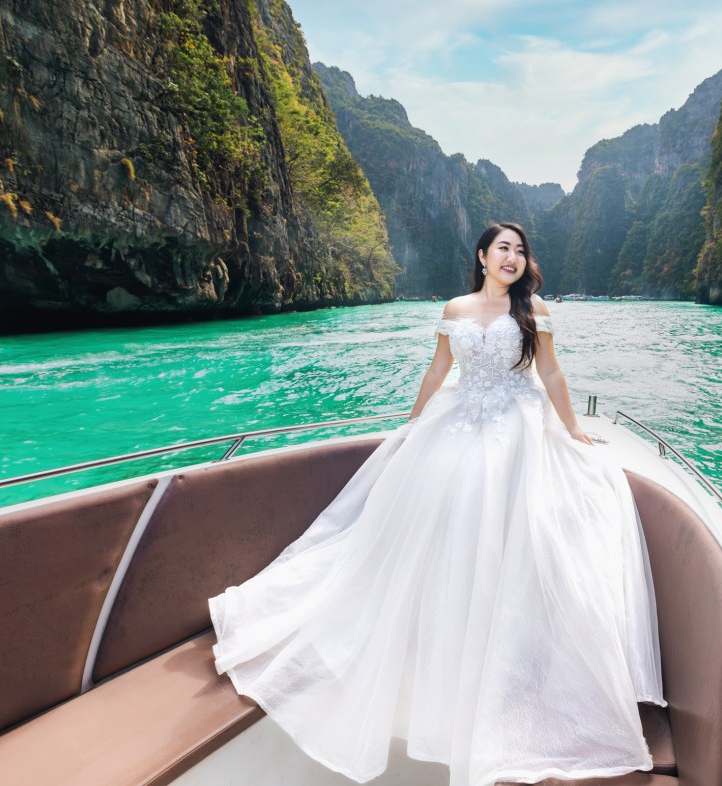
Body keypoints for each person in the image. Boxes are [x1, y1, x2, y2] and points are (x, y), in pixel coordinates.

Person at [209, 222, 665, 786]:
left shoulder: (534, 308)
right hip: (459, 421)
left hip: (518, 424)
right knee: (434, 522)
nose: (513, 258)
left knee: (517, 517)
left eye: (521, 251)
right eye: (504, 249)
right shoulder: (455, 307)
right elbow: (439, 369)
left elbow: (548, 371)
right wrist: (414, 420)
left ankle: (511, 662)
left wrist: (572, 429)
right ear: (482, 255)